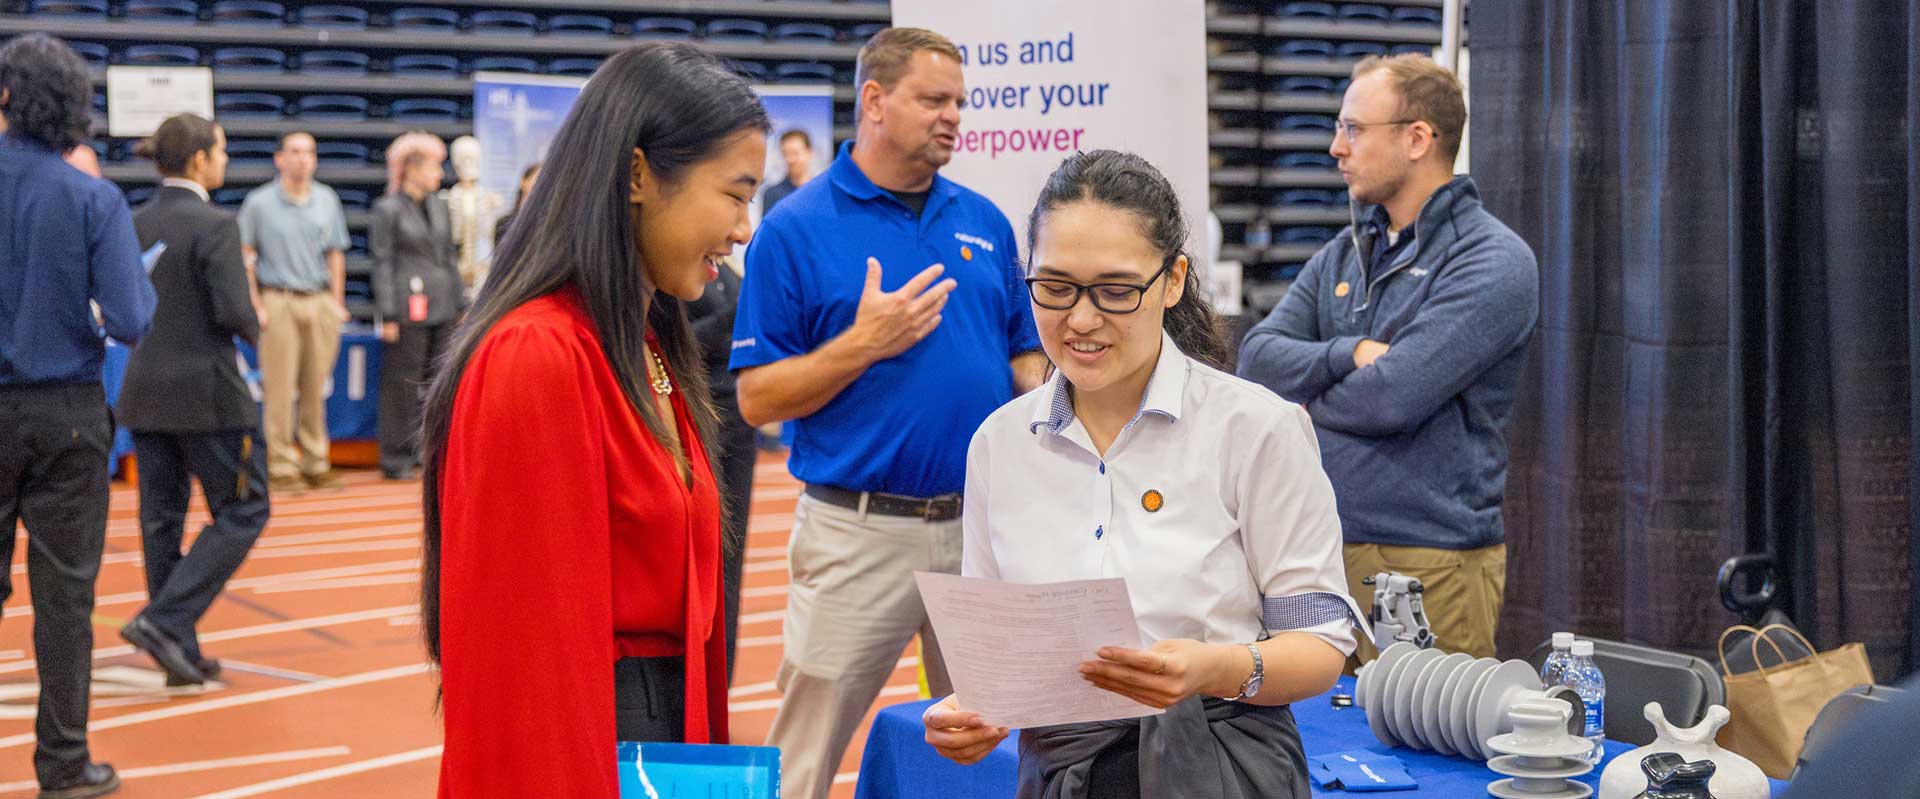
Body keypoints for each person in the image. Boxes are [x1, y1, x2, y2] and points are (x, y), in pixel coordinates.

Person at [922, 150, 1363, 798]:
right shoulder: (999, 443)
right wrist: (973, 712)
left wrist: (1219, 667)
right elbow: (999, 663)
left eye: (1116, 290)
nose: (1081, 318)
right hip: (1058, 776)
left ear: (1174, 278)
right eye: (1055, 285)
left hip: (1220, 769)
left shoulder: (1254, 429)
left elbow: (1322, 646)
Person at [420, 42, 766, 797]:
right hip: (589, 745)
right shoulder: (537, 355)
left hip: (655, 730)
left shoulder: (646, 345)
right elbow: (522, 667)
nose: (744, 228)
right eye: (735, 195)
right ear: (640, 174)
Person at [730, 27, 1048, 799]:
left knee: (1001, 738)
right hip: (856, 534)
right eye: (933, 100)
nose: (953, 118)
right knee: (804, 756)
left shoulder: (985, 219)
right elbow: (756, 397)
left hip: (978, 532)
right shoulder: (794, 229)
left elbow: (1024, 358)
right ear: (874, 100)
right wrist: (863, 344)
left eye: (959, 104)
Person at [1236, 53, 1538, 663]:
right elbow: (1257, 359)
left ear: (1418, 138)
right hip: (1316, 552)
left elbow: (1391, 399)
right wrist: (1351, 353)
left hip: (1431, 560)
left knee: (1426, 744)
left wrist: (1305, 403)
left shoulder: (1493, 261)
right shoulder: (1344, 254)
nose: (1334, 148)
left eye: (1353, 129)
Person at [0, 33, 154, 799]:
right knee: (64, 599)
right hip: (64, 411)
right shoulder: (94, 199)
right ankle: (63, 766)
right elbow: (130, 317)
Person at [116, 113, 267, 689]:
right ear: (200, 159)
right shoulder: (215, 225)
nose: (225, 160)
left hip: (145, 391)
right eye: (221, 151)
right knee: (246, 507)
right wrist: (259, 322)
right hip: (207, 394)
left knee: (161, 519)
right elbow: (233, 311)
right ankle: (165, 620)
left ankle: (174, 645)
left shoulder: (133, 222)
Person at [238, 131, 352, 493]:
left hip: (317, 300)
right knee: (280, 389)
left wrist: (336, 302)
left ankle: (317, 461)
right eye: (295, 152)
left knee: (315, 387)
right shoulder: (259, 204)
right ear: (279, 158)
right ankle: (282, 464)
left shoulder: (326, 200)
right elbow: (245, 257)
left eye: (309, 152)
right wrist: (256, 305)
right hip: (278, 299)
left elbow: (335, 252)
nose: (303, 159)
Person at [370, 131, 460, 480]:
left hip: (442, 306)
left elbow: (449, 256)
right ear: (411, 169)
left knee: (439, 383)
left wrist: (457, 301)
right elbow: (382, 262)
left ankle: (430, 451)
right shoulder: (386, 209)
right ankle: (395, 457)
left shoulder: (439, 205)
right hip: (407, 308)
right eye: (434, 167)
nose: (440, 174)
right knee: (402, 384)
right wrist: (388, 313)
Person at [687, 252, 753, 683]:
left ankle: (719, 679)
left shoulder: (726, 265)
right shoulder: (676, 268)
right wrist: (736, 317)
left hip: (738, 416)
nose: (740, 226)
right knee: (702, 558)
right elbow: (676, 341)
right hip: (700, 411)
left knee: (730, 558)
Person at [759, 129, 813, 214]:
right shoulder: (773, 194)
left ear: (809, 152)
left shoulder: (820, 192)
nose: (791, 160)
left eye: (795, 153)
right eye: (786, 154)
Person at [491, 161, 541, 243]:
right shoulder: (504, 223)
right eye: (537, 179)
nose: (541, 185)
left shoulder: (542, 224)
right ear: (523, 182)